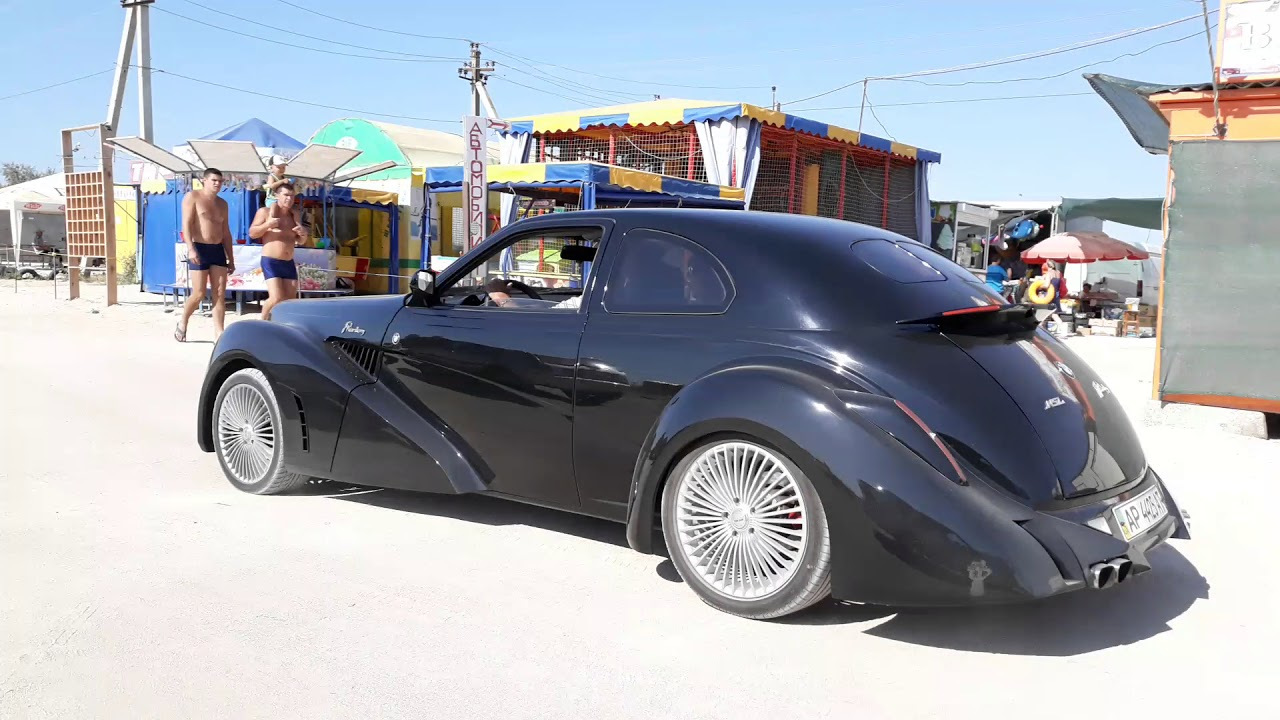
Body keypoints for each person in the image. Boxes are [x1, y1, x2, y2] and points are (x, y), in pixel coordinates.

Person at [176, 167, 234, 342]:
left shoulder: (223, 204)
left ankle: (219, 332)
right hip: (199, 248)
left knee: (219, 292)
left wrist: (231, 258)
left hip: (217, 249)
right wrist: (190, 248)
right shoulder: (193, 197)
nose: (217, 184)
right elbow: (186, 224)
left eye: (220, 181)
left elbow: (226, 232)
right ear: (204, 180)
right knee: (199, 293)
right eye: (214, 180)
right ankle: (183, 321)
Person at [249, 183, 308, 320]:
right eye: (286, 195)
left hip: (288, 261)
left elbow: (300, 241)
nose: (289, 199)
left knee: (290, 300)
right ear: (276, 196)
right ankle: (262, 322)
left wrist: (304, 234)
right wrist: (267, 225)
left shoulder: (294, 215)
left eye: (292, 196)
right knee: (276, 297)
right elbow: (252, 233)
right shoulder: (265, 212)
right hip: (271, 260)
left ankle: (280, 323)